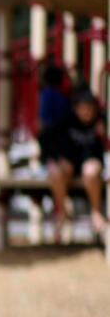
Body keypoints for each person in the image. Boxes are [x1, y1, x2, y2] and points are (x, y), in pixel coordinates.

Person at [45, 88, 107, 239]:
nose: (87, 113)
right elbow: (47, 138)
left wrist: (104, 136)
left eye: (90, 109)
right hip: (69, 167)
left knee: (90, 170)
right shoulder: (65, 121)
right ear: (76, 109)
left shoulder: (102, 121)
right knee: (55, 171)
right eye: (84, 109)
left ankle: (96, 212)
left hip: (91, 166)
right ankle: (63, 210)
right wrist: (49, 159)